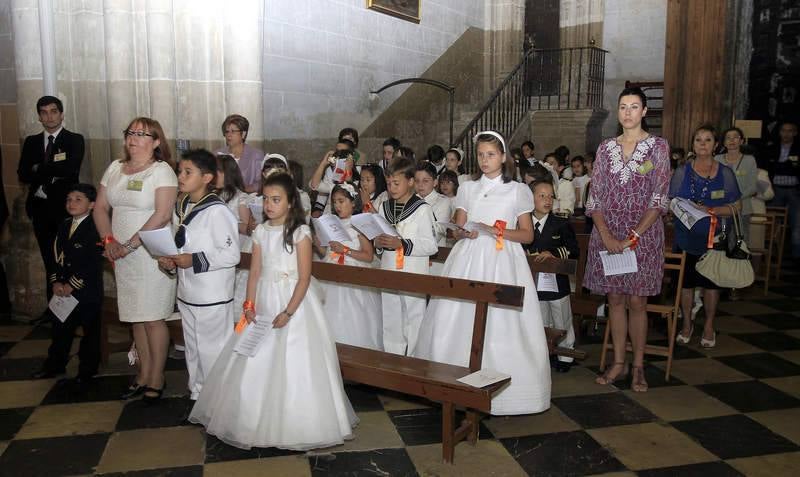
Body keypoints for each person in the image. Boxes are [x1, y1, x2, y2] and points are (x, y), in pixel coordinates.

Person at [189, 172, 357, 450]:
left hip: (294, 302)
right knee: (253, 358)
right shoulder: (260, 232)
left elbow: (304, 278)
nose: (269, 205)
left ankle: (297, 422)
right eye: (266, 199)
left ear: (290, 202)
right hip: (265, 299)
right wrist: (249, 303)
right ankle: (251, 420)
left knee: (295, 360)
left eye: (276, 200)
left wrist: (289, 311)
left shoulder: (301, 232)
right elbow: (254, 272)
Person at [413, 131, 551, 415]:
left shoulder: (517, 190)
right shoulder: (467, 188)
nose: (485, 160)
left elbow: (527, 235)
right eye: (480, 155)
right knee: (456, 317)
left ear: (502, 157)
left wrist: (495, 230)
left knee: (503, 324)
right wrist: (459, 230)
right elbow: (459, 226)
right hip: (469, 257)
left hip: (504, 261)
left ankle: (507, 393)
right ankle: (453, 384)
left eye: (491, 154)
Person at [584, 87, 671, 393]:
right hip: (607, 234)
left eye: (635, 107)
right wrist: (607, 234)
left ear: (645, 111)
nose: (628, 112)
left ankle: (638, 367)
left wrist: (633, 235)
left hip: (643, 237)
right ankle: (618, 362)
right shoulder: (605, 148)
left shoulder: (658, 148)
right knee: (615, 300)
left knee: (637, 301)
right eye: (623, 107)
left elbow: (659, 197)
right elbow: (595, 196)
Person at [93, 117, 178, 400]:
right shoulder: (115, 168)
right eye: (130, 132)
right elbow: (101, 207)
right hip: (121, 254)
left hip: (150, 253)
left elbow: (163, 214)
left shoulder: (161, 170)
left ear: (156, 142)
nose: (133, 138)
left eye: (142, 134)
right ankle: (142, 373)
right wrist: (108, 240)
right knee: (136, 318)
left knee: (153, 317)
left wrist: (129, 244)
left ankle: (157, 378)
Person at [157, 150, 240, 400]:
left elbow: (231, 254)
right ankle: (197, 395)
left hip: (211, 295)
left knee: (212, 350)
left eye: (187, 172)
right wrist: (170, 260)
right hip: (188, 292)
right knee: (193, 349)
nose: (180, 176)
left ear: (207, 177)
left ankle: (216, 401)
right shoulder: (181, 206)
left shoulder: (217, 211)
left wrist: (192, 260)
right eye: (180, 171)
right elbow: (181, 244)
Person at [671, 125, 742, 350]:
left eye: (708, 140)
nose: (702, 144)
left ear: (715, 145)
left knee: (711, 284)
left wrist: (712, 210)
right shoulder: (682, 171)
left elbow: (737, 205)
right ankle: (687, 323)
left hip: (715, 236)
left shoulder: (725, 173)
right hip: (686, 236)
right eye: (698, 140)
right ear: (693, 144)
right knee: (686, 284)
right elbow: (672, 201)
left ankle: (709, 325)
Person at [17, 96, 85, 308]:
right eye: (44, 112)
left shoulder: (74, 139)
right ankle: (54, 309)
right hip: (40, 209)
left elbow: (70, 170)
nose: (49, 116)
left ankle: (72, 310)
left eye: (54, 111)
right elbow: (23, 174)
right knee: (49, 261)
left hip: (64, 210)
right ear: (39, 117)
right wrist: (51, 173)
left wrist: (39, 168)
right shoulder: (31, 142)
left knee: (69, 259)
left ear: (61, 114)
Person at [32, 184, 102, 384]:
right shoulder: (64, 225)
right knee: (60, 328)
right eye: (69, 199)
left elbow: (93, 260)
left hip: (86, 290)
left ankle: (87, 370)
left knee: (90, 332)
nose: (72, 203)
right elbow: (56, 257)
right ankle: (55, 364)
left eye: (78, 199)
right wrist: (56, 281)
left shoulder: (96, 227)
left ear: (92, 205)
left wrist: (73, 283)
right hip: (63, 289)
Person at [376, 157, 438, 356]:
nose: (391, 188)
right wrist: (377, 243)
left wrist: (402, 244)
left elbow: (431, 245)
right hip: (388, 269)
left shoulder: (422, 209)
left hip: (413, 271)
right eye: (388, 183)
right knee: (390, 316)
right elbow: (377, 239)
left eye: (396, 183)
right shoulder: (383, 208)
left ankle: (414, 360)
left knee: (414, 316)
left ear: (411, 181)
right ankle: (392, 359)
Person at [316, 183, 382, 350]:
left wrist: (345, 250)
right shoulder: (332, 223)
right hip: (332, 268)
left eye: (341, 201)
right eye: (334, 202)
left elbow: (368, 255)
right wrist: (314, 239)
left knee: (352, 313)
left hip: (353, 272)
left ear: (353, 202)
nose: (337, 206)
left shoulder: (358, 224)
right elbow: (325, 252)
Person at [526, 180, 579, 372]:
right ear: (530, 198)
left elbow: (574, 250)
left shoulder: (561, 223)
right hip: (534, 281)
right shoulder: (523, 223)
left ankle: (566, 355)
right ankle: (544, 353)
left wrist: (554, 255)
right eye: (542, 196)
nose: (547, 200)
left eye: (550, 196)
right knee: (540, 318)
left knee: (561, 317)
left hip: (557, 281)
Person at [761, 121, 799, 259]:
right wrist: (787, 167)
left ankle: (795, 256)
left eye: (790, 131)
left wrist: (782, 167)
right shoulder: (772, 148)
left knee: (797, 223)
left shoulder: (797, 148)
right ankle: (770, 254)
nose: (786, 134)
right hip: (775, 188)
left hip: (795, 190)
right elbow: (769, 167)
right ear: (780, 132)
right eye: (784, 130)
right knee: (772, 222)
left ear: (795, 132)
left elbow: (788, 168)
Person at [716, 127, 757, 242]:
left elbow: (753, 187)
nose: (732, 140)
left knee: (740, 243)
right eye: (728, 138)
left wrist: (736, 198)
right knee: (721, 242)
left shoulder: (750, 160)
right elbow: (713, 184)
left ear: (742, 141)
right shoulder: (717, 159)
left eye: (735, 137)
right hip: (722, 208)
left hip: (743, 208)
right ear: (723, 142)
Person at [215, 114, 263, 193]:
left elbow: (261, 182)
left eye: (233, 131)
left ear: (243, 134)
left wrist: (244, 189)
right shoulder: (217, 154)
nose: (229, 135)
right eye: (227, 132)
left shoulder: (256, 155)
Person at [415, 161, 454, 247]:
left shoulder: (443, 202)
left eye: (425, 181)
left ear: (435, 182)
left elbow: (437, 234)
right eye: (417, 181)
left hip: (436, 254)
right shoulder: (410, 201)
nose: (420, 185)